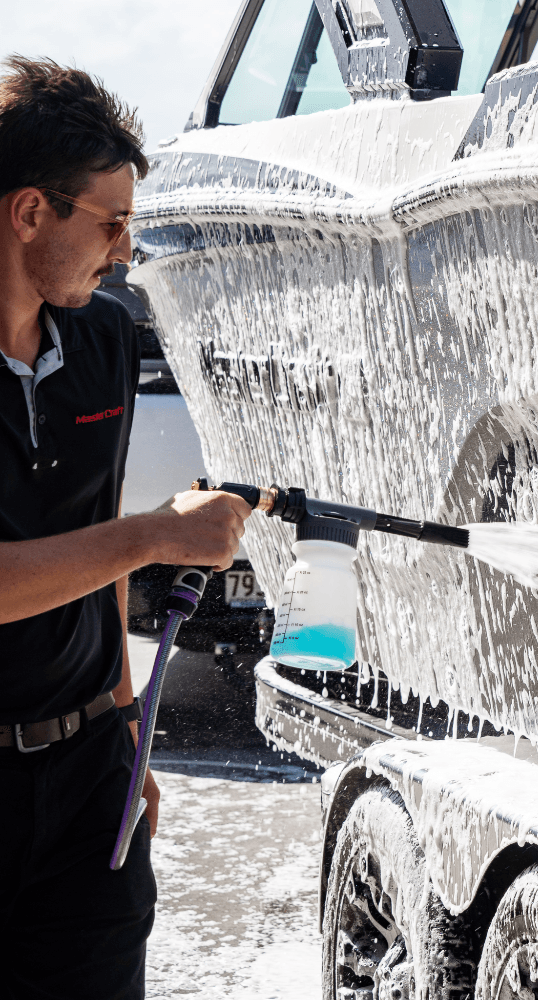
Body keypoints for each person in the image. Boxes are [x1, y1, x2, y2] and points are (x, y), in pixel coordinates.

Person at [0, 57, 252, 999]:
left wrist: (122, 727)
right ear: (31, 212)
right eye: (110, 224)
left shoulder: (102, 340)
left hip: (86, 779)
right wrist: (155, 537)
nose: (123, 249)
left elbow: (90, 525)